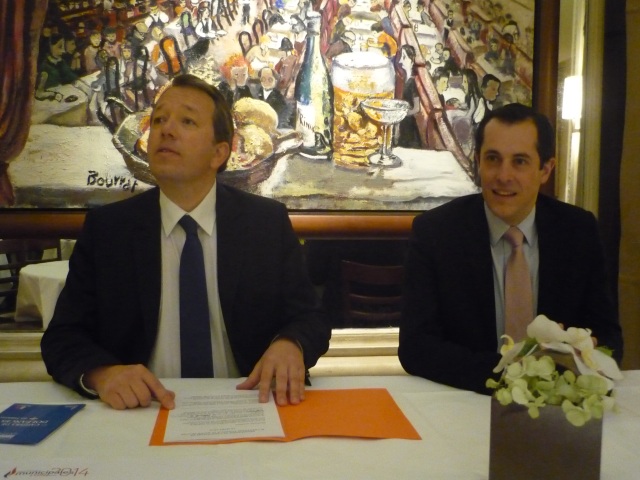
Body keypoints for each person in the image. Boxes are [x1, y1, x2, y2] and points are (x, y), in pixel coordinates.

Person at [41, 74, 331, 410]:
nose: (166, 129)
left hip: (249, 405)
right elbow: (63, 337)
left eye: (187, 121)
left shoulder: (265, 224)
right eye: (159, 119)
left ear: (219, 153)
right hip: (141, 411)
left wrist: (291, 343)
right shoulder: (109, 230)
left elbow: (311, 318)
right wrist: (102, 374)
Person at [398, 103, 623, 394]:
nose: (503, 176)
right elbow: (416, 348)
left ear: (546, 169)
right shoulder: (436, 233)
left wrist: (568, 366)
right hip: (466, 400)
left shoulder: (578, 232)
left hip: (557, 405)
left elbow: (609, 339)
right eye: (493, 159)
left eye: (519, 161)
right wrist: (512, 375)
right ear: (478, 162)